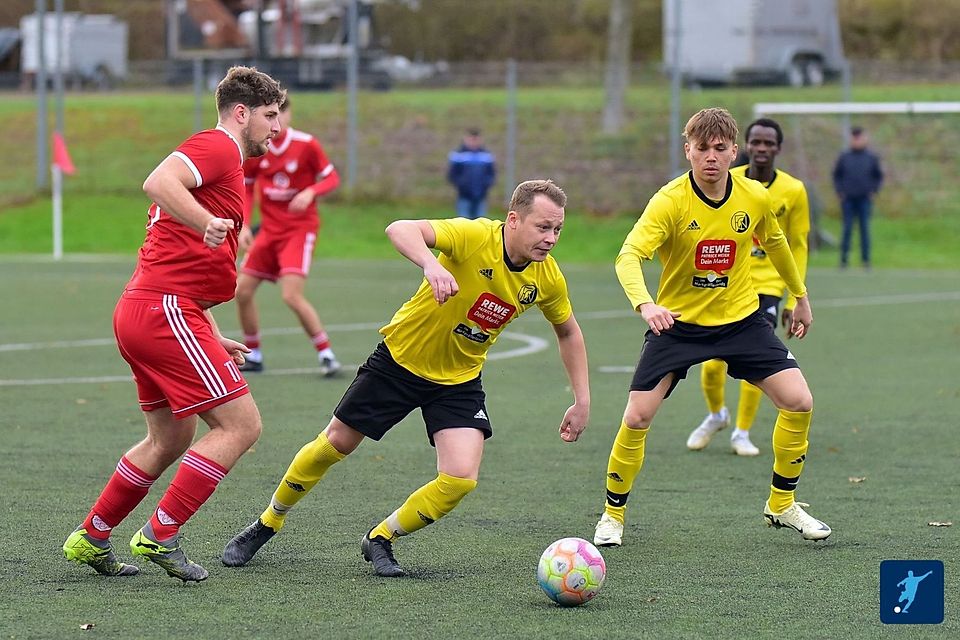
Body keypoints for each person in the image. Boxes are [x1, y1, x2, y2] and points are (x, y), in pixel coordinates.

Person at [222, 179, 590, 577]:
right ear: (513, 220)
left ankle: (381, 537)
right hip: (399, 362)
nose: (551, 238)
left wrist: (582, 399)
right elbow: (399, 228)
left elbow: (568, 331)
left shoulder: (546, 280)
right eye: (543, 227)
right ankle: (268, 522)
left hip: (458, 380)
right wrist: (432, 264)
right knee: (335, 444)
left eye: (557, 230)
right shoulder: (473, 236)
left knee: (460, 478)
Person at [62, 66, 285, 582]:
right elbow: (158, 181)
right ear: (241, 113)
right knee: (241, 425)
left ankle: (92, 535)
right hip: (163, 311)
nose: (276, 128)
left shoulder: (224, 162)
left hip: (152, 310)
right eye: (270, 117)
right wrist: (205, 222)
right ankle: (160, 534)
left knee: (170, 437)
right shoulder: (221, 146)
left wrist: (206, 328)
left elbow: (184, 263)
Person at [593, 108, 831, 549]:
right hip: (679, 325)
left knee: (799, 401)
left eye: (720, 149)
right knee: (637, 416)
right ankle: (612, 515)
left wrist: (800, 296)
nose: (711, 157)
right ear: (688, 151)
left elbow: (776, 242)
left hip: (742, 321)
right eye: (701, 148)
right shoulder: (669, 201)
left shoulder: (753, 196)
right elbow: (629, 256)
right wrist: (646, 304)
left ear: (733, 152)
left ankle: (782, 504)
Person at [687, 118, 810, 457]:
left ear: (778, 149)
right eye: (756, 142)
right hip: (726, 281)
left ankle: (742, 432)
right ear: (745, 147)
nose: (762, 149)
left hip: (767, 285)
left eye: (769, 143)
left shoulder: (793, 190)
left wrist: (794, 296)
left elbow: (796, 245)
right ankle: (717, 415)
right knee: (712, 364)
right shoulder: (728, 180)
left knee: (755, 361)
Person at [235, 96, 342, 376]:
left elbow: (331, 178)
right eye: (269, 114)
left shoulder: (306, 145)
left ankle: (326, 354)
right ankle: (254, 354)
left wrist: (310, 192)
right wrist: (245, 225)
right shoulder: (259, 147)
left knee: (291, 296)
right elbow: (246, 187)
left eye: (280, 112)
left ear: (289, 114)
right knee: (241, 291)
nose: (276, 119)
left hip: (298, 230)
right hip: (269, 232)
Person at [833, 126, 883, 269]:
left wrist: (874, 191)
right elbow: (836, 176)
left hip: (864, 200)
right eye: (854, 138)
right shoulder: (845, 157)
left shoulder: (871, 158)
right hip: (848, 199)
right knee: (847, 229)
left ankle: (865, 260)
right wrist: (840, 191)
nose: (857, 141)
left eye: (859, 137)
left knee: (864, 229)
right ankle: (843, 260)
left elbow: (878, 177)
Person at [447, 127, 496, 219]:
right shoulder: (458, 155)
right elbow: (452, 175)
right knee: (464, 223)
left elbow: (491, 174)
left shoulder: (486, 155)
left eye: (475, 139)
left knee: (480, 224)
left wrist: (485, 185)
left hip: (481, 195)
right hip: (464, 195)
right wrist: (462, 185)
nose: (473, 142)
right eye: (471, 139)